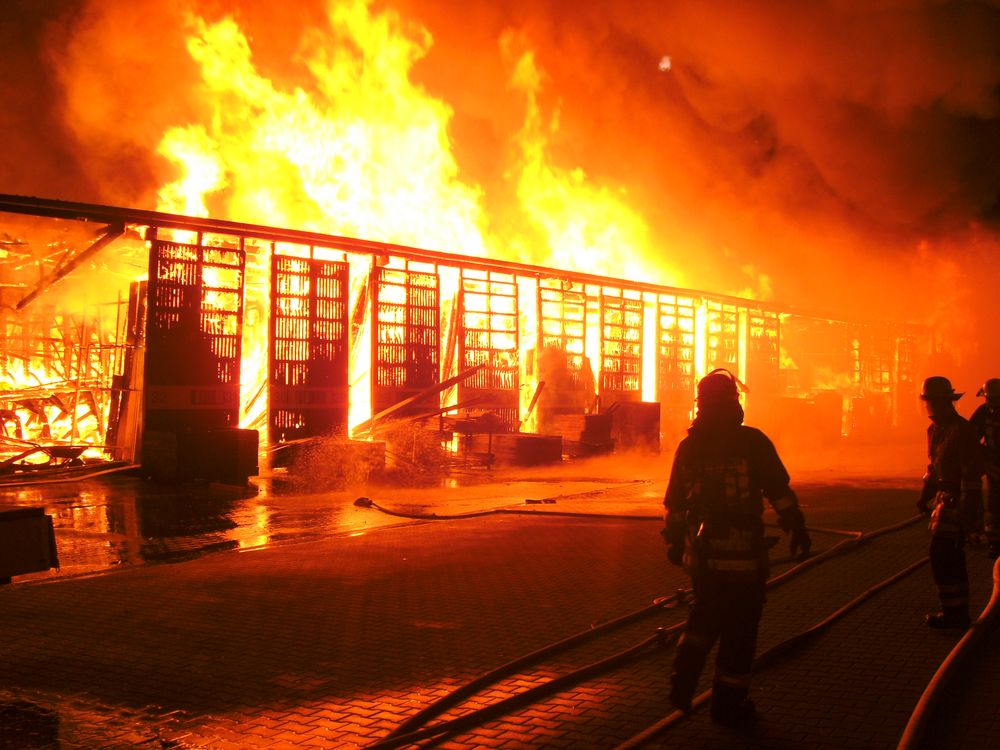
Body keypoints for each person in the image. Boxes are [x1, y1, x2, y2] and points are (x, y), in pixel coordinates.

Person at [662, 368, 810, 728]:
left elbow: (675, 502)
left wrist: (673, 540)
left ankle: (682, 679)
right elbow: (779, 492)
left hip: (704, 555)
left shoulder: (690, 447)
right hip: (746, 556)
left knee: (704, 618)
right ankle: (728, 706)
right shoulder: (753, 443)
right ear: (734, 405)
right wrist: (797, 527)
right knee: (739, 632)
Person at [916, 376, 984, 628]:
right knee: (943, 555)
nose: (927, 406)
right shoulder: (935, 431)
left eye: (929, 401)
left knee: (944, 553)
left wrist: (969, 517)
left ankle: (956, 614)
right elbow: (933, 469)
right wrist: (924, 496)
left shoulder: (962, 431)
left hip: (959, 501)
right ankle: (954, 612)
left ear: (943, 402)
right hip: (943, 500)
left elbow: (972, 478)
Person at [970, 378, 1000, 559]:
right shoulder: (983, 413)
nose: (991, 403)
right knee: (994, 506)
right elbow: (970, 436)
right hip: (994, 469)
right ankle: (996, 545)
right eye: (989, 399)